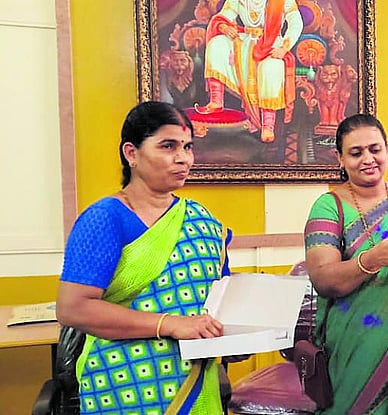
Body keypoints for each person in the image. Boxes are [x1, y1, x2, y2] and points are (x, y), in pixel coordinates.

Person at [55, 101, 235, 413]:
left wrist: (234, 336)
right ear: (131, 153)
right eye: (168, 146)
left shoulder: (200, 219)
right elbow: (73, 309)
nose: (183, 159)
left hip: (194, 378)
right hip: (122, 382)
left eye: (188, 147)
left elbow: (221, 297)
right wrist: (169, 323)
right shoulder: (105, 219)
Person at [303, 114, 388, 414]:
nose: (368, 159)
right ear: (339, 158)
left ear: (387, 149)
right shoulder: (330, 206)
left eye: (375, 149)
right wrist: (375, 258)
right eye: (356, 153)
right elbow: (324, 279)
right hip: (351, 342)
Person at [196, 0, 303, 142]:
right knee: (217, 44)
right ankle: (216, 101)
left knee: (271, 67)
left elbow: (296, 24)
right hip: (244, 41)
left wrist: (284, 48)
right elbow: (225, 16)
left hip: (271, 44)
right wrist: (224, 27)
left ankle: (268, 125)